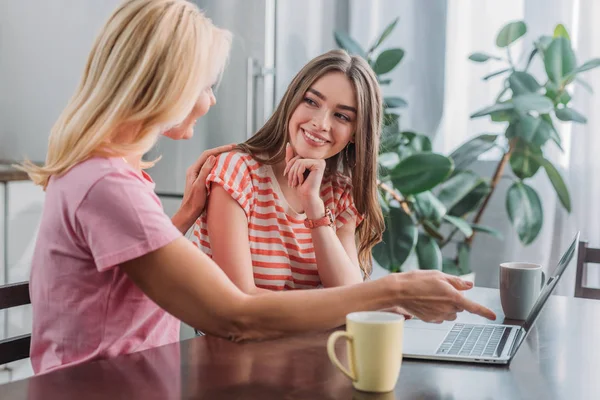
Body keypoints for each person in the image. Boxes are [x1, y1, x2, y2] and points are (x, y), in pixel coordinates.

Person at [21, 0, 495, 375]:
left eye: (344, 116)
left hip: (139, 378)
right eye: (204, 85)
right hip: (99, 388)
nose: (208, 100)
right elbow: (237, 317)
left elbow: (125, 279)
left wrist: (184, 219)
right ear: (163, 87)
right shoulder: (108, 183)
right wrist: (396, 289)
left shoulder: (109, 175)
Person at [191, 50, 385, 293]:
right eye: (312, 101)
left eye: (342, 116)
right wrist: (334, 307)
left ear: (356, 133)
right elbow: (241, 299)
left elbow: (350, 296)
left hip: (318, 333)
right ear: (292, 101)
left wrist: (314, 207)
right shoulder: (236, 173)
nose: (321, 123)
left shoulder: (340, 193)